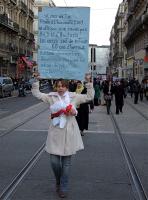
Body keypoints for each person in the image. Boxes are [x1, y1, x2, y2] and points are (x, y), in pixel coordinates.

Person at [31, 74, 94, 198]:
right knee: (54, 162)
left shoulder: (74, 97)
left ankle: (63, 186)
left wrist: (88, 82)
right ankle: (58, 180)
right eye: (58, 86)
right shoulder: (51, 97)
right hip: (55, 132)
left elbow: (89, 97)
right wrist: (36, 81)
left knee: (66, 164)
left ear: (67, 87)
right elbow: (37, 94)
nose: (60, 88)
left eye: (63, 86)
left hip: (69, 132)